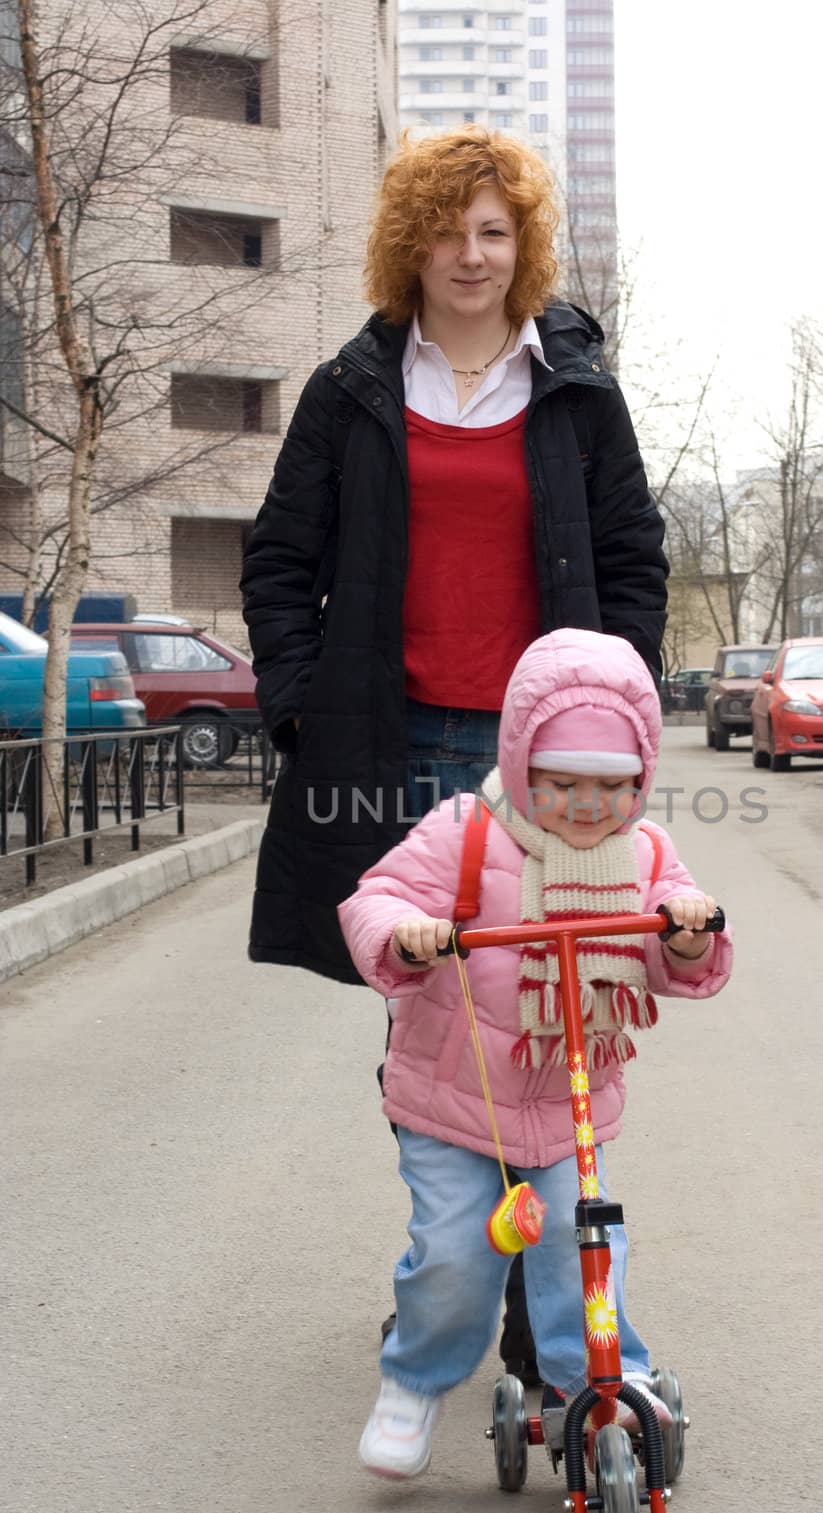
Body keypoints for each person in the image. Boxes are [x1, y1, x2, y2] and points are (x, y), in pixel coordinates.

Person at [240, 125, 668, 1384]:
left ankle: (544, 1312)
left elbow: (634, 560)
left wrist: (614, 709)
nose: (470, 255)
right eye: (447, 229)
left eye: (494, 231)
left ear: (521, 245)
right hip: (393, 738)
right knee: (432, 1018)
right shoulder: (351, 391)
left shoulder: (574, 388)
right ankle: (455, 1262)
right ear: (409, 243)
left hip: (548, 763)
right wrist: (301, 705)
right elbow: (277, 561)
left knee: (548, 1012)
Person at [337, 629, 733, 1479]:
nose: (587, 805)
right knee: (454, 1252)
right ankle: (413, 1382)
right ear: (521, 766)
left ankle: (597, 1380)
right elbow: (378, 898)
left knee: (579, 1244)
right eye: (562, 784)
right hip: (451, 1103)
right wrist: (407, 938)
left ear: (639, 778)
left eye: (610, 786)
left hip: (566, 1103)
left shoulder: (647, 853)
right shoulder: (466, 832)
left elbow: (671, 938)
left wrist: (691, 933)